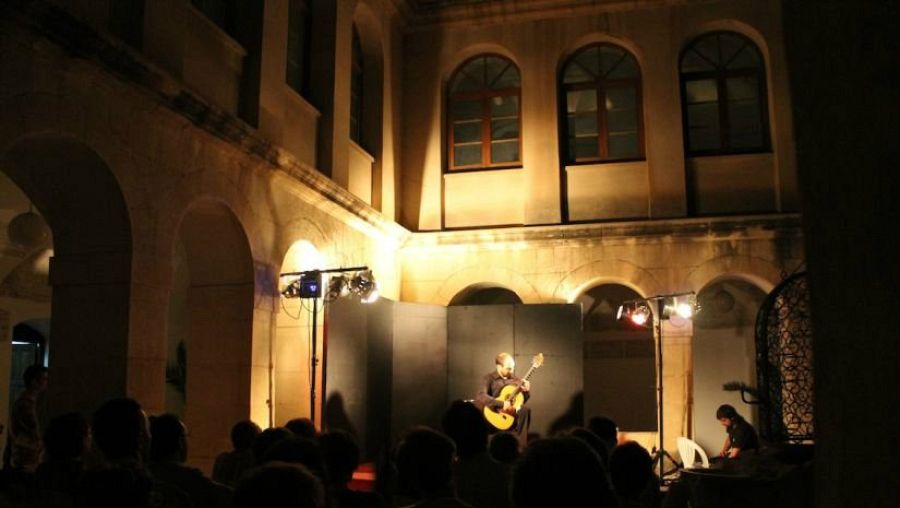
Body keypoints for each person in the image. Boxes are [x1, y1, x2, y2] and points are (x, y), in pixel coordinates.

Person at [475, 353, 531, 446]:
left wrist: (526, 392)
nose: (512, 371)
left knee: (525, 410)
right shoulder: (489, 379)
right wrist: (501, 403)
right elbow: (481, 395)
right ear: (499, 366)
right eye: (508, 368)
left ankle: (520, 446)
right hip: (494, 414)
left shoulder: (515, 380)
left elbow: (521, 400)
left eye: (513, 368)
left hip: (510, 414)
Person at [6, 365, 49, 472]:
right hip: (26, 458)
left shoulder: (28, 402)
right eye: (44, 379)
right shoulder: (26, 404)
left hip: (25, 455)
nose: (46, 382)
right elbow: (33, 430)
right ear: (34, 382)